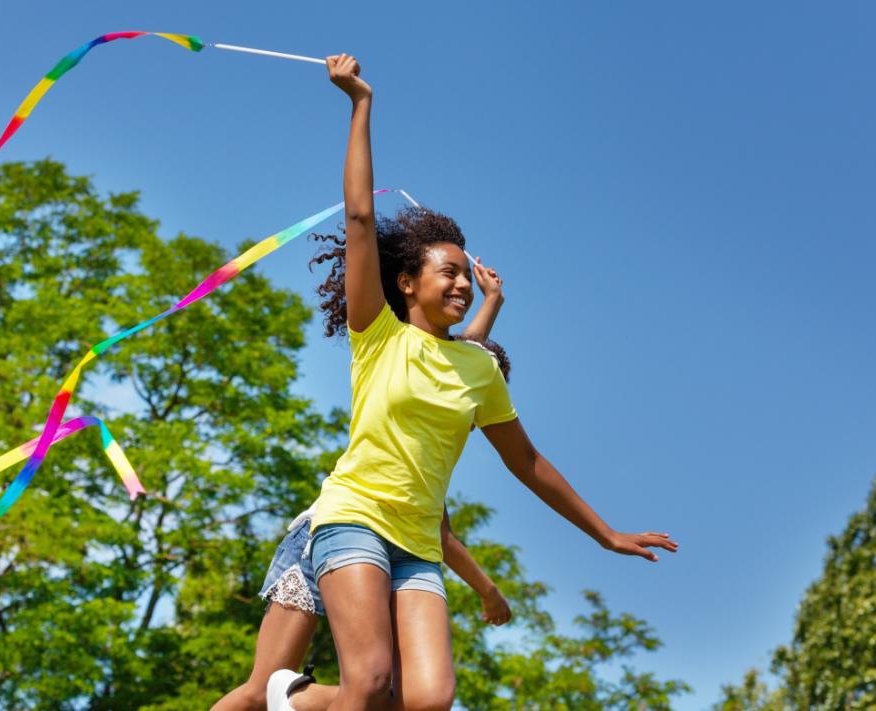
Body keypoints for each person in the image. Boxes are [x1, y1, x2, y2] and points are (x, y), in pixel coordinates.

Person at [276, 53, 676, 711]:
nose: (462, 282)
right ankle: (295, 695)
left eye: (468, 274)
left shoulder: (479, 367)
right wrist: (359, 105)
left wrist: (606, 534)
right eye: (449, 272)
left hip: (418, 546)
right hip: (353, 521)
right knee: (372, 682)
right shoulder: (377, 331)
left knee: (428, 701)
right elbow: (356, 220)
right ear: (407, 282)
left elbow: (526, 459)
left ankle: (293, 696)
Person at [210, 263, 512, 711]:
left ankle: (298, 699)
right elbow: (451, 353)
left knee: (391, 699)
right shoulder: (421, 365)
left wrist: (492, 303)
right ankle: (292, 695)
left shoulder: (427, 472)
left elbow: (458, 360)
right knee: (261, 688)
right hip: (329, 531)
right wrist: (488, 590)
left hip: (378, 542)